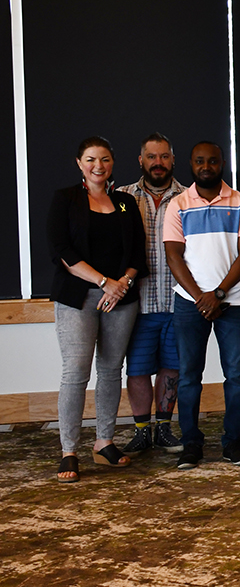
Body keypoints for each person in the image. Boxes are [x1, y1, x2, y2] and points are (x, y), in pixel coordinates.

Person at [47, 137, 146, 482]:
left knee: (110, 370)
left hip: (121, 298)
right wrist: (105, 282)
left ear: (113, 163)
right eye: (91, 159)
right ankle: (69, 450)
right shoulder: (66, 199)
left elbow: (137, 254)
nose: (98, 166)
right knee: (75, 372)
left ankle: (104, 442)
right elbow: (62, 251)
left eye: (104, 159)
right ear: (79, 163)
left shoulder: (124, 202)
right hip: (78, 297)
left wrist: (122, 285)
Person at [164, 142, 240, 470]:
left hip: (234, 302)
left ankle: (234, 442)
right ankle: (191, 444)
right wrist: (202, 297)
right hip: (190, 303)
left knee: (237, 376)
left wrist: (217, 294)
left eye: (213, 161)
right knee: (189, 377)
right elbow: (173, 255)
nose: (206, 166)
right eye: (200, 160)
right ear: (190, 163)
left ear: (222, 163)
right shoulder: (177, 205)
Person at [117, 132, 187, 455]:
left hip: (178, 301)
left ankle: (164, 428)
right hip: (137, 303)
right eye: (151, 157)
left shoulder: (189, 198)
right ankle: (142, 430)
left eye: (164, 157)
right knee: (138, 368)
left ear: (173, 160)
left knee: (173, 366)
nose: (158, 163)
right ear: (141, 161)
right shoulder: (120, 198)